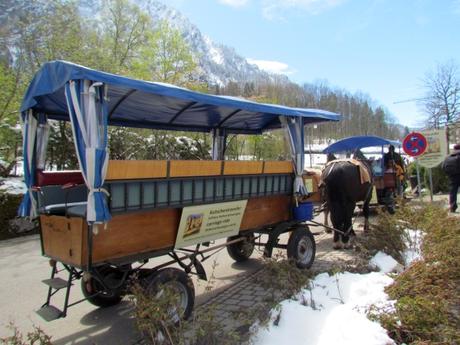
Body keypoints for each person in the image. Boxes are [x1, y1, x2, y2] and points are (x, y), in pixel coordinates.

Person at [442, 144, 460, 212]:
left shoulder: (448, 157)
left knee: (453, 191)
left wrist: (448, 174)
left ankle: (452, 207)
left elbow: (443, 167)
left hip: (452, 177)